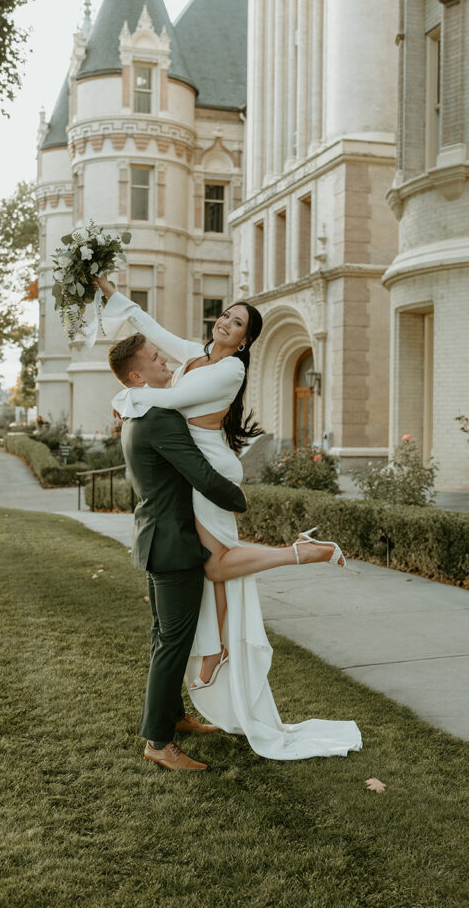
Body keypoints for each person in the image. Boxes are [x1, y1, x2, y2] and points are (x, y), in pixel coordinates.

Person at [98, 278, 362, 762]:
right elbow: (155, 332)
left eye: (237, 322)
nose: (225, 321)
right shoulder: (199, 355)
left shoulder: (228, 371)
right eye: (226, 315)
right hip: (198, 469)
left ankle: (294, 561)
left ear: (245, 341)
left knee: (218, 565)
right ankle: (216, 651)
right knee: (215, 566)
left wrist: (125, 399)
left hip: (211, 470)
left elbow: (170, 400)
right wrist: (116, 299)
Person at [107, 331, 248, 772]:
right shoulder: (159, 420)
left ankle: (171, 717)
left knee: (163, 639)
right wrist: (239, 498)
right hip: (174, 546)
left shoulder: (136, 414)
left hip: (155, 539)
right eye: (155, 359)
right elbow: (201, 475)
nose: (166, 363)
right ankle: (158, 742)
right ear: (137, 375)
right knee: (172, 644)